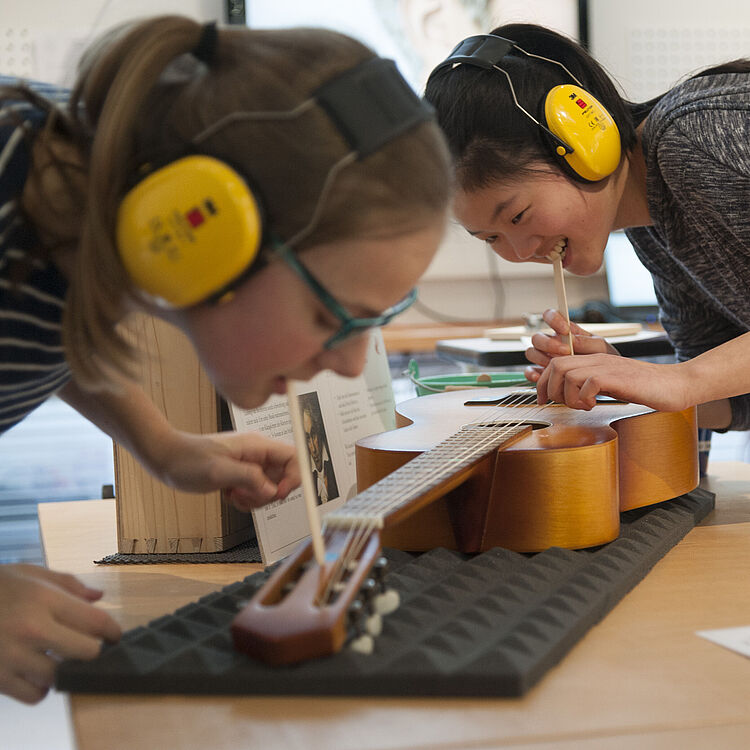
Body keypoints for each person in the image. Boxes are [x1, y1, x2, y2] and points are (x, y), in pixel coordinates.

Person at [0, 15, 451, 704]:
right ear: (217, 235)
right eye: (332, 317)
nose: (352, 359)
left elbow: (63, 313)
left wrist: (163, 446)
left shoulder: (84, 199)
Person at [424, 23, 750, 428]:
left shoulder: (691, 135)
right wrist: (629, 384)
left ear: (581, 142)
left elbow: (694, 383)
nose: (521, 252)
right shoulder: (651, 227)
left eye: (517, 216)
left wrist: (686, 379)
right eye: (491, 237)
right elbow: (737, 404)